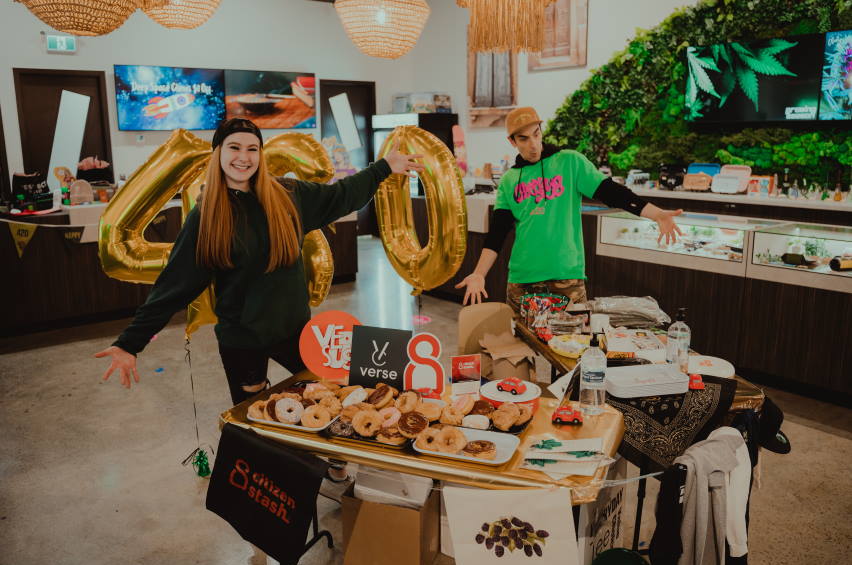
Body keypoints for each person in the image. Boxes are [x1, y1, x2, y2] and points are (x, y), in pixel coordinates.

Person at [95, 117, 424, 406]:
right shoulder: (207, 216)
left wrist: (383, 167)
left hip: (295, 331)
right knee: (256, 417)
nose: (243, 157)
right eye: (234, 147)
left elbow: (341, 195)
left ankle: (332, 467)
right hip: (242, 340)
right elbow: (174, 286)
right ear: (218, 154)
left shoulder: (289, 196)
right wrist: (129, 343)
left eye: (252, 149)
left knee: (325, 397)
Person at [455, 107, 683, 308]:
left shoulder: (570, 162)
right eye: (524, 139)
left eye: (536, 134)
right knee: (521, 351)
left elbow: (613, 194)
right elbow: (497, 234)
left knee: (572, 349)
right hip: (522, 280)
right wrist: (478, 274)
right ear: (512, 142)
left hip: (566, 278)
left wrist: (656, 213)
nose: (533, 145)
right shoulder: (509, 180)